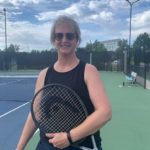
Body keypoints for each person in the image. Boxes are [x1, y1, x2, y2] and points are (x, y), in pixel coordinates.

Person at [16, 15, 112, 150]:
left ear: (77, 39)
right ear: (53, 40)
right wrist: (19, 148)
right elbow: (35, 115)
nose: (64, 40)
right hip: (46, 145)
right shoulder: (44, 74)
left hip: (81, 146)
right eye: (59, 36)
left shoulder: (88, 71)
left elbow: (105, 112)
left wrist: (69, 137)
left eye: (69, 36)